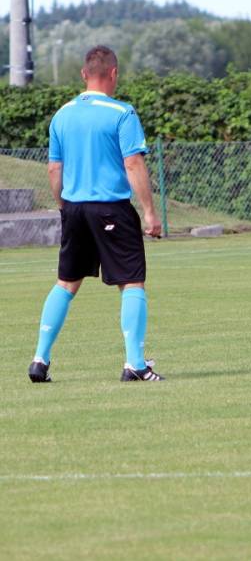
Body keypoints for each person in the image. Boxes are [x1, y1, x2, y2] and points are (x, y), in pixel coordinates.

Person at [28, 45, 164, 383]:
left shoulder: (62, 115)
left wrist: (64, 207)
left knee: (66, 282)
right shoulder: (122, 113)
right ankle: (135, 364)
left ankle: (39, 360)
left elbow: (54, 169)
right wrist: (150, 212)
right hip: (111, 208)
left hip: (74, 208)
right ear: (114, 73)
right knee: (131, 281)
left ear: (83, 74)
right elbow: (133, 163)